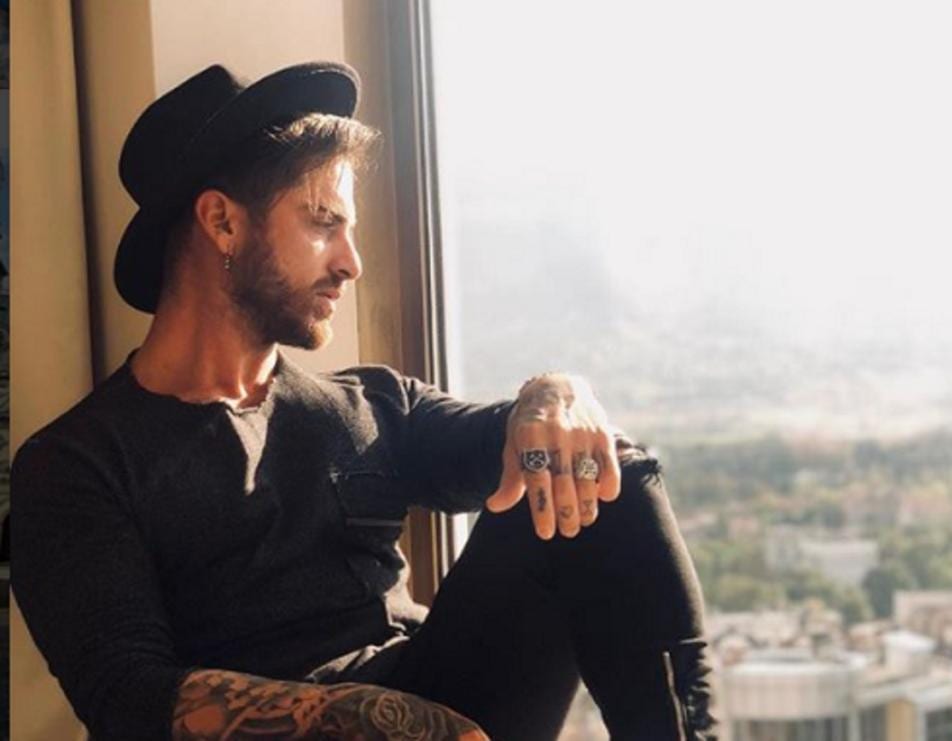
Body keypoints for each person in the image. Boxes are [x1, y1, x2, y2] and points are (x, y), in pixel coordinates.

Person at [12, 62, 714, 740]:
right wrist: (374, 719)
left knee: (597, 471)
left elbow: (529, 433)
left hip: (446, 701)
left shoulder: (372, 405)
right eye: (324, 222)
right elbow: (129, 698)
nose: (351, 261)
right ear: (222, 222)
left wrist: (555, 395)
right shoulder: (74, 466)